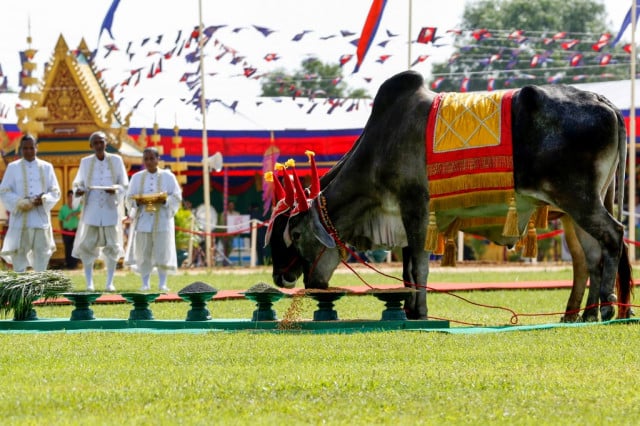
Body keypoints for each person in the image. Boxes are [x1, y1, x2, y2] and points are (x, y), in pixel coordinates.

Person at [72, 131, 129, 292]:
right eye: (95, 143)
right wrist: (80, 191)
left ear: (106, 143)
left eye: (101, 142)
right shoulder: (85, 162)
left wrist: (116, 189)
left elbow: (124, 184)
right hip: (92, 210)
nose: (98, 145)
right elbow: (77, 184)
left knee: (113, 246)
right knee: (87, 246)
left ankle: (109, 282)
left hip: (111, 210)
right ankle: (89, 282)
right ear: (91, 146)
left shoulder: (116, 160)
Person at [0, 134, 61, 272]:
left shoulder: (47, 167)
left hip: (40, 220)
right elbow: (4, 190)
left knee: (42, 254)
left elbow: (55, 192)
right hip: (21, 220)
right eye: (25, 148)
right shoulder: (13, 167)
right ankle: (21, 289)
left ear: (36, 148)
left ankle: (39, 288)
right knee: (19, 255)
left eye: (31, 148)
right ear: (21, 149)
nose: (28, 151)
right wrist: (19, 202)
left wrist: (44, 199)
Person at [125, 147, 182, 291]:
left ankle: (163, 283)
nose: (149, 162)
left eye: (152, 158)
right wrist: (138, 202)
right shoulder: (136, 177)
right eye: (146, 159)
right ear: (143, 161)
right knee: (144, 253)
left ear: (158, 159)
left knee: (162, 251)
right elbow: (129, 198)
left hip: (162, 220)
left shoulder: (169, 177)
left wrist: (164, 200)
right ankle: (145, 283)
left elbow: (176, 197)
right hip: (143, 220)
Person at [58, 190, 82, 269]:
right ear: (67, 197)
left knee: (75, 247)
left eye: (73, 197)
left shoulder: (77, 207)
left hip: (75, 230)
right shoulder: (63, 208)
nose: (71, 199)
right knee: (68, 248)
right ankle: (69, 265)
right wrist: (62, 231)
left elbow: (81, 211)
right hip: (66, 231)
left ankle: (74, 264)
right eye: (70, 197)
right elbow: (60, 220)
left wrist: (72, 214)